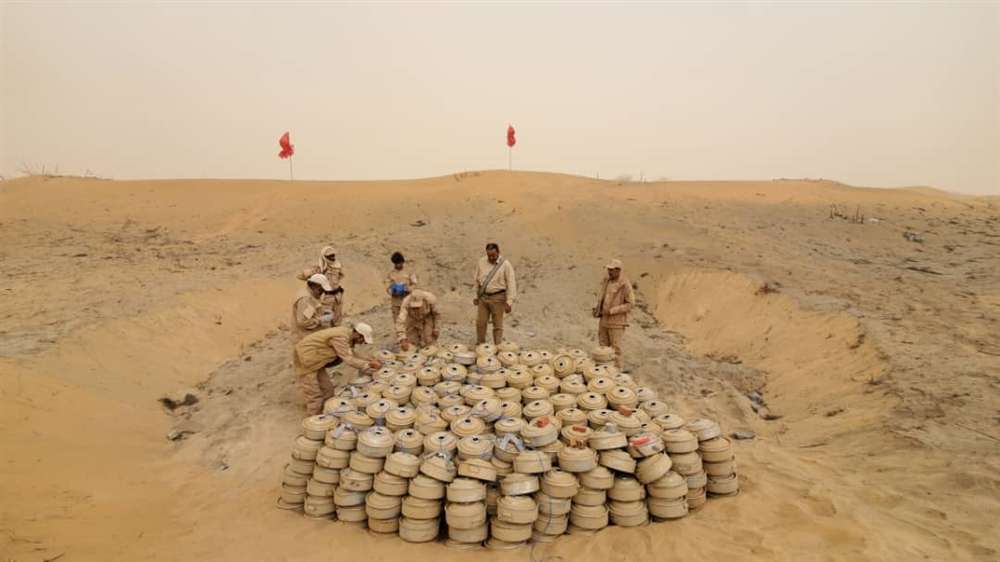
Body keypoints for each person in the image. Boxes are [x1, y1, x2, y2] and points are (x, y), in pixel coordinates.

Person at [293, 323, 381, 415]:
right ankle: (314, 418)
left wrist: (369, 359)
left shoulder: (347, 335)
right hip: (306, 358)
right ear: (357, 334)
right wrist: (368, 365)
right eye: (362, 339)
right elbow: (349, 359)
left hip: (317, 361)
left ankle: (327, 413)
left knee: (328, 390)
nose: (362, 342)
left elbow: (351, 353)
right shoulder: (340, 338)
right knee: (314, 394)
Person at [592, 259, 635, 369]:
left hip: (617, 322)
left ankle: (616, 372)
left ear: (618, 270)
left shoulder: (625, 284)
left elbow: (630, 304)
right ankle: (603, 372)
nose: (609, 272)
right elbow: (601, 296)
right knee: (603, 348)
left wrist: (612, 311)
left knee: (615, 350)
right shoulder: (607, 281)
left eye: (611, 270)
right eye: (609, 269)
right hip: (604, 320)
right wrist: (597, 308)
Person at [473, 242, 517, 344]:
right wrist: (475, 296)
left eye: (493, 255)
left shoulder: (505, 264)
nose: (491, 258)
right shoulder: (481, 262)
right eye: (489, 256)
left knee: (497, 325)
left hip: (498, 297)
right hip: (483, 297)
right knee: (480, 323)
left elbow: (511, 283)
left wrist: (509, 302)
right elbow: (476, 280)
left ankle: (498, 346)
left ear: (498, 252)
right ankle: (481, 346)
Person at [291, 273, 336, 342]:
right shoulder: (305, 299)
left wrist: (323, 311)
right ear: (314, 286)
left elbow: (311, 310)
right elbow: (303, 322)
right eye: (321, 290)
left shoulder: (310, 293)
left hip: (308, 335)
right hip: (304, 338)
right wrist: (320, 320)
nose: (322, 293)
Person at [386, 251, 418, 322]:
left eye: (399, 263)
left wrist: (407, 289)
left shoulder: (409, 272)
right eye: (396, 263)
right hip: (396, 303)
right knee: (398, 322)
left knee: (408, 322)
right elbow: (387, 287)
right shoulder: (391, 274)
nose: (398, 265)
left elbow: (414, 284)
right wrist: (393, 291)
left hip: (407, 302)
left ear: (402, 262)